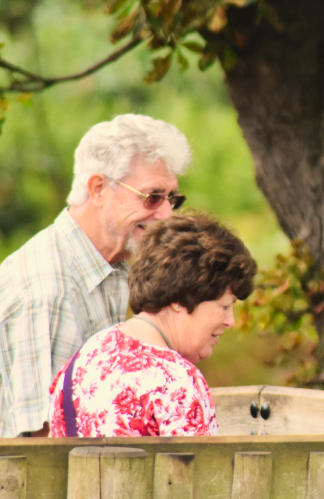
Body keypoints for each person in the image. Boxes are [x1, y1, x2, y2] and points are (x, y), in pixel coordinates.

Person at [0, 114, 191, 437]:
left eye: (173, 199)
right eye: (153, 197)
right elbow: (39, 446)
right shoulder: (50, 291)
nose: (166, 214)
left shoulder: (110, 265)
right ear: (99, 189)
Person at [48, 213, 256, 437]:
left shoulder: (86, 356)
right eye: (225, 306)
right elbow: (202, 471)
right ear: (181, 298)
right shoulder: (175, 382)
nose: (231, 321)